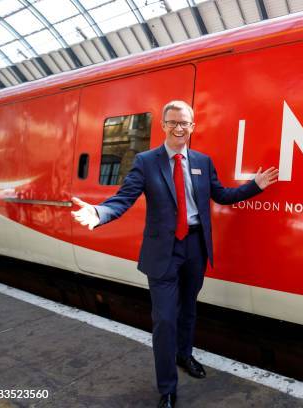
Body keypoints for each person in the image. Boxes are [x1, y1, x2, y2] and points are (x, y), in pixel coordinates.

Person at [71, 100, 278, 408]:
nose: (180, 128)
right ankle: (167, 388)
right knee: (165, 319)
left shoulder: (202, 161)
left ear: (192, 127)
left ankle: (185, 354)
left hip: (195, 247)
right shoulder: (146, 161)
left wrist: (255, 186)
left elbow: (221, 195)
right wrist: (101, 213)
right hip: (163, 252)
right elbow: (124, 198)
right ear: (164, 126)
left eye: (186, 123)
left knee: (188, 309)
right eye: (174, 123)